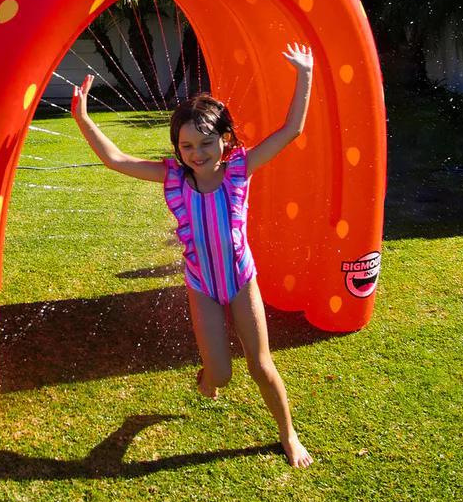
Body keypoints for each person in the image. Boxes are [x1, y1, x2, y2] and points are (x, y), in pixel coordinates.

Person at [71, 42, 314, 468]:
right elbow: (115, 159)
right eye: (186, 147)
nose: (196, 155)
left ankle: (288, 433)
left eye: (205, 144)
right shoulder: (172, 178)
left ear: (224, 139)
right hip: (201, 285)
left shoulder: (240, 167)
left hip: (240, 279)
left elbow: (290, 130)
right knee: (218, 374)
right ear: (177, 148)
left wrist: (305, 74)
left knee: (260, 365)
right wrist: (83, 118)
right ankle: (209, 379)